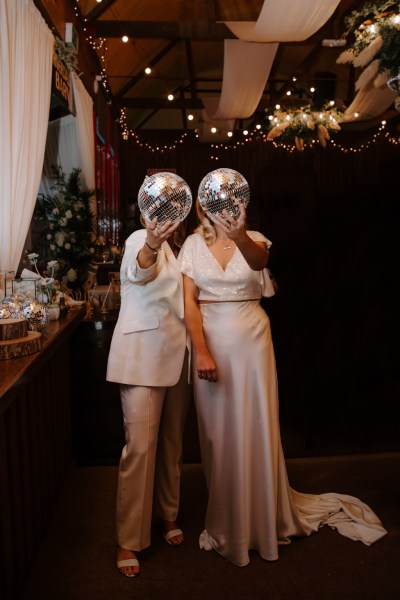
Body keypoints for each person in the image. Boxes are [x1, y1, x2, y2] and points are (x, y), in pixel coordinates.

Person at [178, 168, 387, 567]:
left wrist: (239, 235)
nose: (224, 207)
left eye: (231, 201)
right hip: (211, 341)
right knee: (217, 435)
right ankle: (228, 521)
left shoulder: (253, 240)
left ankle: (263, 518)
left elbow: (260, 262)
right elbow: (188, 303)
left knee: (256, 427)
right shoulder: (191, 244)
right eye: (217, 201)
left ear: (241, 203)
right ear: (205, 205)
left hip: (252, 341)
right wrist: (201, 351)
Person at [106, 175, 191, 578]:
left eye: (171, 210)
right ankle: (129, 537)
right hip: (141, 358)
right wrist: (153, 243)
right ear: (144, 213)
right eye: (156, 211)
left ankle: (168, 514)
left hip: (178, 358)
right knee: (140, 447)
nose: (163, 218)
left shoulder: (182, 250)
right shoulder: (138, 242)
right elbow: (139, 272)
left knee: (172, 444)